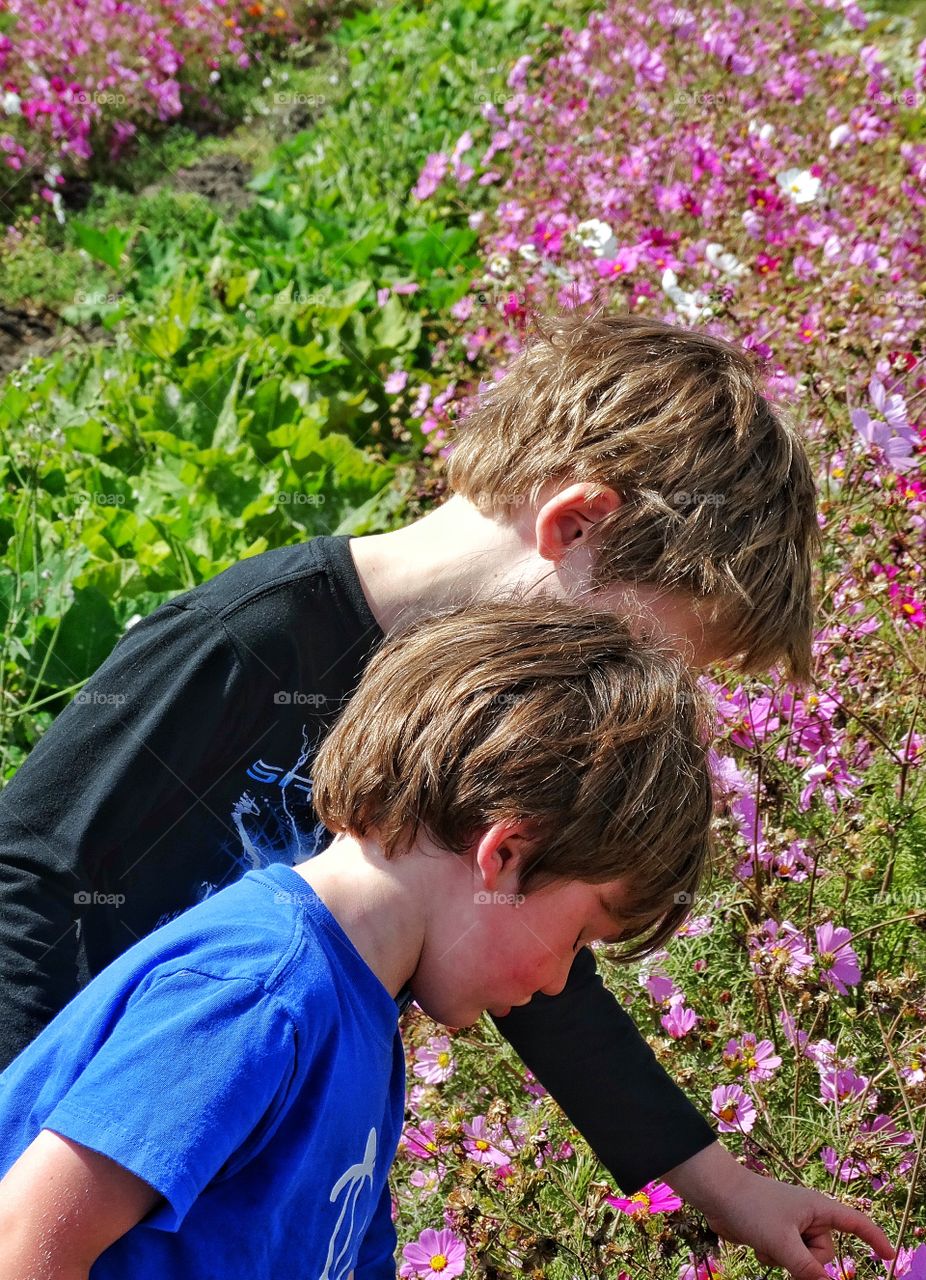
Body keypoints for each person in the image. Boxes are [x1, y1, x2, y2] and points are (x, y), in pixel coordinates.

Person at [0, 310, 834, 1269]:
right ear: (575, 527)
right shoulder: (245, 640)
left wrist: (718, 1183)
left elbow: (538, 959)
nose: (643, 690)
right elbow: (33, 868)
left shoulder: (487, 746)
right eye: (647, 650)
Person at [0, 601, 894, 1279]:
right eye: (579, 937)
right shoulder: (260, 995)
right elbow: (24, 1246)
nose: (557, 985)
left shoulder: (359, 1016)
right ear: (504, 856)